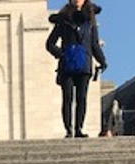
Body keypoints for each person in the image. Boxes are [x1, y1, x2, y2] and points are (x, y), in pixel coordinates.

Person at [46, 0, 106, 139]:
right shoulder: (63, 19)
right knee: (67, 98)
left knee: (82, 98)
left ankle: (79, 128)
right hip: (67, 65)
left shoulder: (90, 20)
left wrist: (102, 60)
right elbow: (50, 43)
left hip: (84, 64)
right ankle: (68, 129)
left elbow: (94, 43)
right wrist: (62, 54)